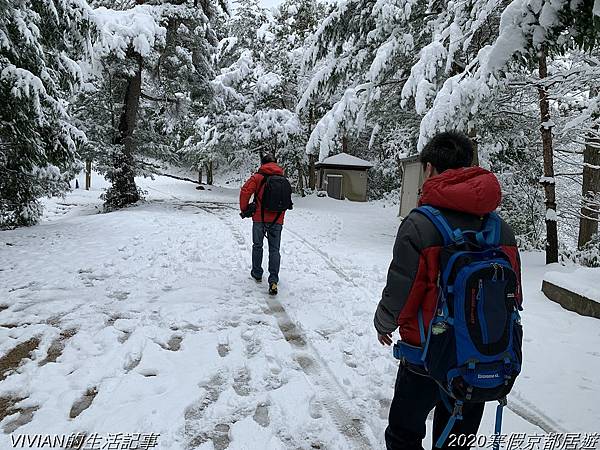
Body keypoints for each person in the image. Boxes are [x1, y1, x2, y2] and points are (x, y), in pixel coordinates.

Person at [374, 131, 523, 450]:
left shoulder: (420, 224)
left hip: (425, 356)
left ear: (429, 169)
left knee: (403, 434)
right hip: (478, 356)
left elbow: (402, 292)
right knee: (457, 442)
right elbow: (515, 298)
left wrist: (383, 325)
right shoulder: (500, 229)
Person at [239, 154, 288, 295]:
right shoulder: (282, 178)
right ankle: (273, 280)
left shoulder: (258, 177)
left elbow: (245, 191)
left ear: (262, 163)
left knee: (257, 245)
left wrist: (245, 209)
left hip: (259, 218)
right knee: (274, 250)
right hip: (277, 219)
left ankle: (257, 272)